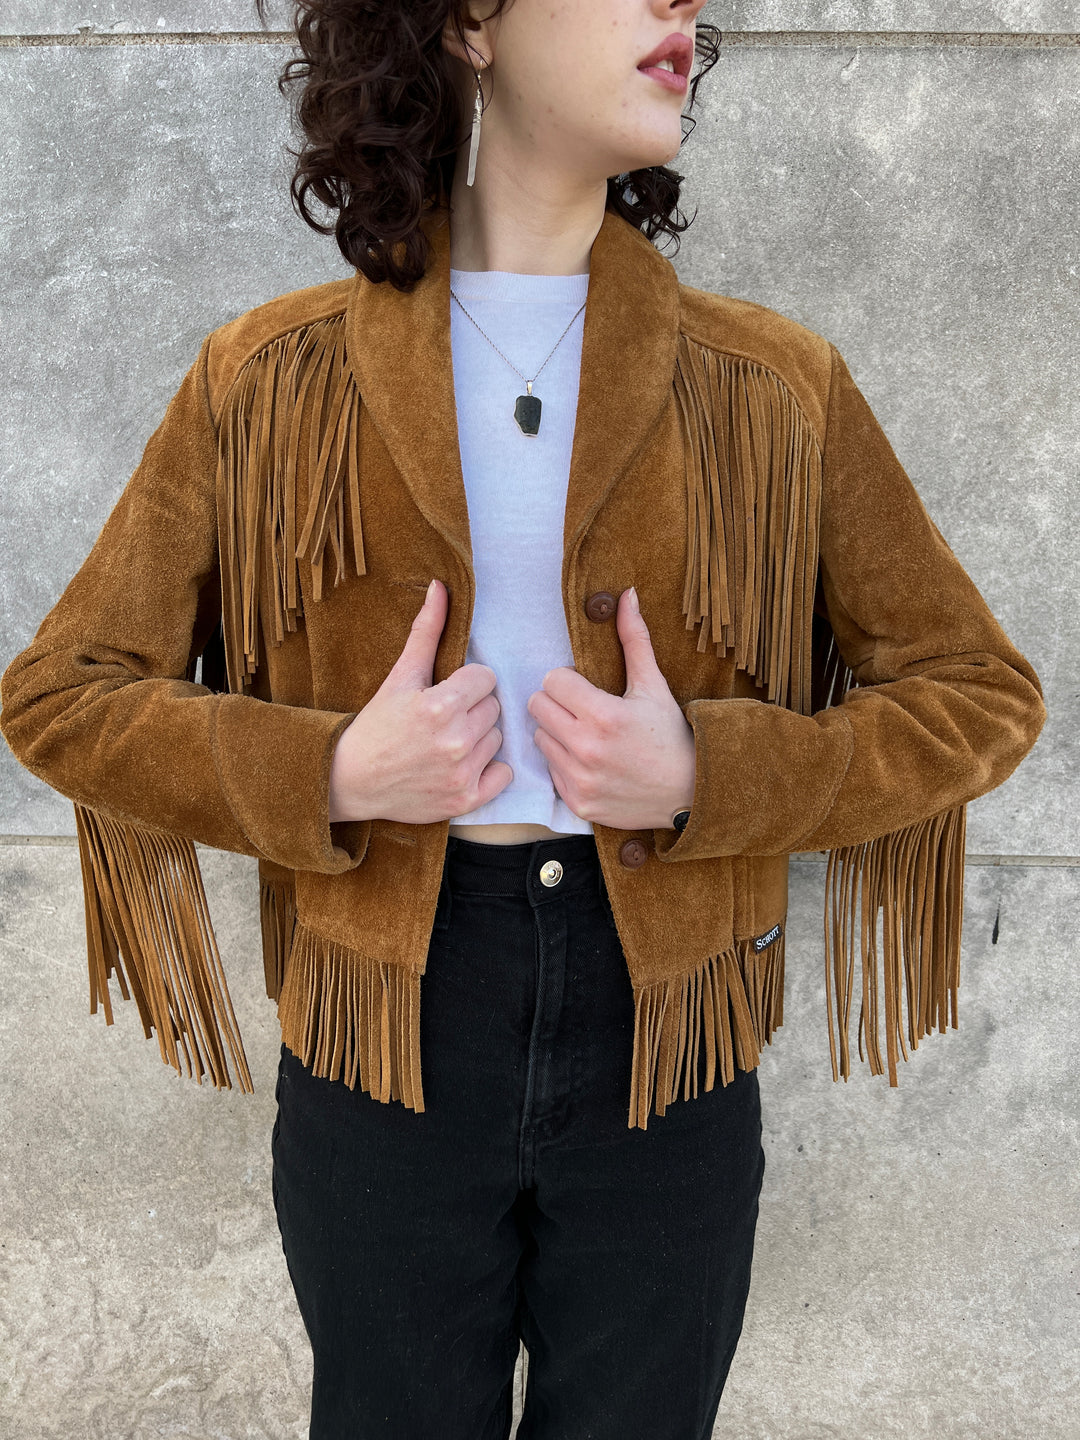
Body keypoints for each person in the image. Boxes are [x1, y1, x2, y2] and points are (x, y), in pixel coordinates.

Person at [0, 2, 1046, 1437]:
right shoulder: (267, 374)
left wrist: (707, 776)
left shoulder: (769, 382)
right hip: (388, 1026)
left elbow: (979, 697)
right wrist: (331, 768)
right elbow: (62, 696)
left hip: (667, 1036)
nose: (679, 5)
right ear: (467, 26)